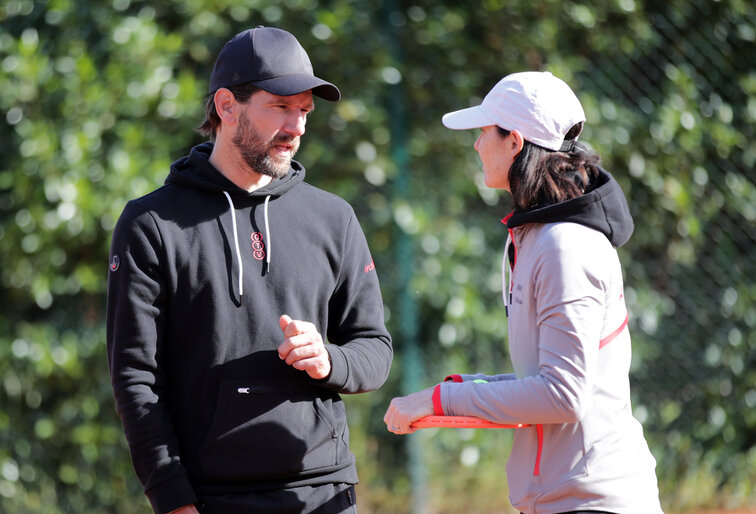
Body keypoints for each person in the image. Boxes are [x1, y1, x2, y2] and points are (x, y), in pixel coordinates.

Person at [107, 26, 393, 514]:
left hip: (325, 492)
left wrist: (330, 361)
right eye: (281, 106)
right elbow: (136, 379)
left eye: (304, 111)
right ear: (225, 106)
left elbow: (375, 350)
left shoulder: (333, 217)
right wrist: (172, 498)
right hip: (210, 497)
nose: (297, 126)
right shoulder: (152, 223)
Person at [383, 71, 662, 513]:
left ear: (513, 141)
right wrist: (452, 392)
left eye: (483, 133)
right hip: (566, 499)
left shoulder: (564, 246)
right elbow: (550, 379)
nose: (476, 145)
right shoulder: (539, 236)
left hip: (593, 501)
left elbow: (563, 395)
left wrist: (441, 399)